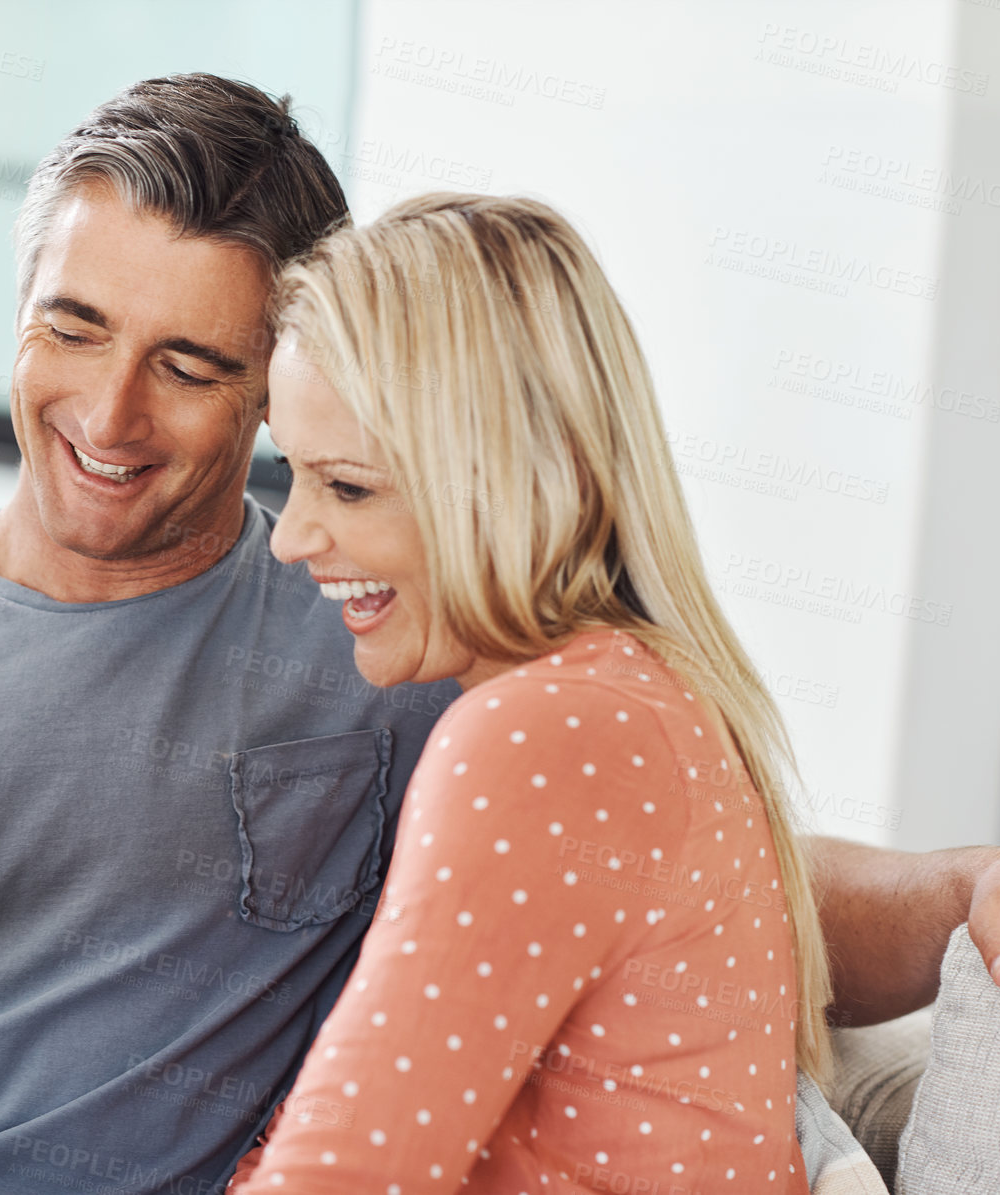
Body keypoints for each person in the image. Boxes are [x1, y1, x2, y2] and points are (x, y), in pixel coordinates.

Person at [0, 74, 1000, 1195]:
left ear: (283, 386)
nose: (107, 414)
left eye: (189, 363)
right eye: (72, 328)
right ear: (19, 311)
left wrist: (971, 888)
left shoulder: (380, 644)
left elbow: (670, 869)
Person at [232, 193, 828, 1192]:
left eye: (348, 486)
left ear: (524, 476)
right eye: (290, 473)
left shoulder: (541, 734)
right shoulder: (637, 698)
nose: (289, 536)